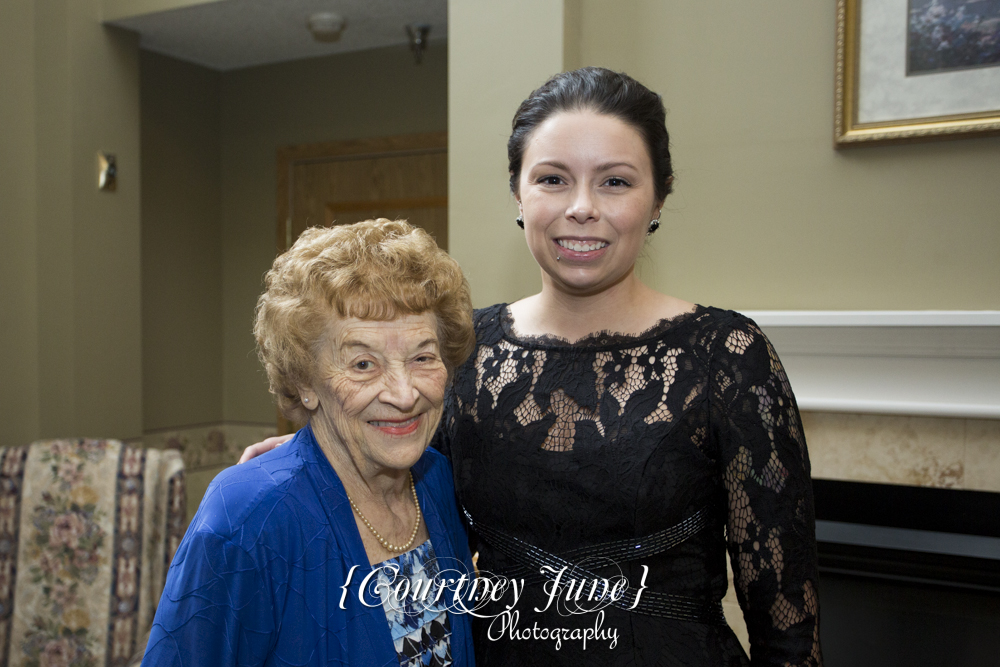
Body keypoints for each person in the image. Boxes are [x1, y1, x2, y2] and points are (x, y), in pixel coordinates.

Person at [243, 68, 822, 666]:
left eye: (615, 182)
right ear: (519, 194)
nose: (581, 208)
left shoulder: (725, 355)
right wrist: (308, 464)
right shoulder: (462, 346)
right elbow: (404, 499)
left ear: (658, 198)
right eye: (552, 179)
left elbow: (789, 633)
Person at [145, 220, 477, 667]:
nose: (403, 394)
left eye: (422, 357)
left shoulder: (436, 481)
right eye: (363, 364)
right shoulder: (246, 516)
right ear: (305, 382)